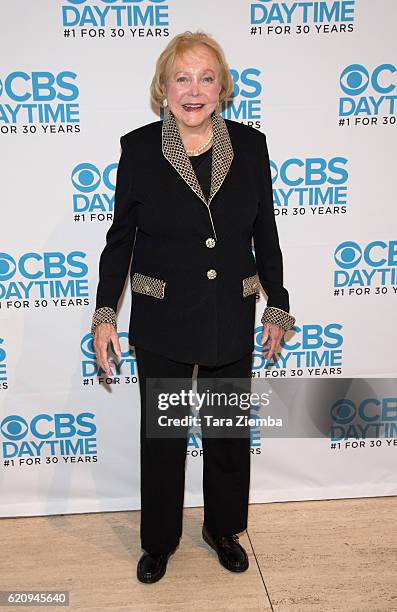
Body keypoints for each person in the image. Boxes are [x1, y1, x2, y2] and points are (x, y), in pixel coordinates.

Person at [91, 30, 295, 584]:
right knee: (164, 437)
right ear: (163, 87)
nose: (194, 89)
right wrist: (105, 314)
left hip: (230, 311)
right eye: (182, 77)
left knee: (227, 433)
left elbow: (266, 232)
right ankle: (159, 541)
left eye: (207, 77)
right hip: (163, 319)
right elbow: (121, 239)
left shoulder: (251, 147)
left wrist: (277, 304)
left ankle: (223, 528)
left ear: (223, 87)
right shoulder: (138, 149)